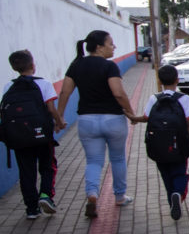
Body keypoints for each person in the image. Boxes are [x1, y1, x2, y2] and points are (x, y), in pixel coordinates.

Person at [57, 30, 139, 218]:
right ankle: (119, 196)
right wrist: (132, 114)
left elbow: (65, 93)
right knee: (117, 158)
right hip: (113, 120)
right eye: (111, 43)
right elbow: (118, 93)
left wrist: (60, 116)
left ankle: (92, 194)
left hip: (87, 121)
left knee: (93, 161)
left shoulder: (76, 65)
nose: (114, 47)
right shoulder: (109, 66)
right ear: (100, 47)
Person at [3, 50, 66, 218]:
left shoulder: (8, 86)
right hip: (42, 136)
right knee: (47, 166)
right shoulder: (44, 83)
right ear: (33, 65)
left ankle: (31, 209)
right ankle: (46, 196)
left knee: (26, 171)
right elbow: (51, 109)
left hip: (19, 138)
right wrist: (60, 123)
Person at [139, 65, 189, 221]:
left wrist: (132, 118)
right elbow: (188, 123)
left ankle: (171, 198)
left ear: (159, 81)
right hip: (179, 145)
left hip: (158, 147)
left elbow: (146, 118)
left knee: (166, 174)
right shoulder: (184, 98)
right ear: (177, 80)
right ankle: (177, 194)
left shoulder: (153, 98)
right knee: (179, 172)